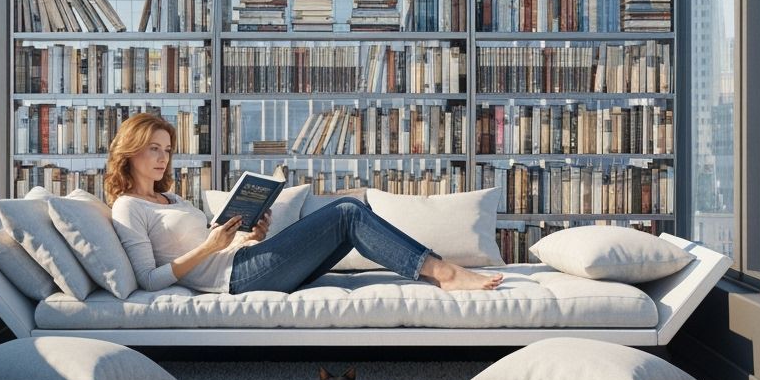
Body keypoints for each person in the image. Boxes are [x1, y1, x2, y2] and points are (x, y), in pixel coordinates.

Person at [106, 113, 504, 295]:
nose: (162, 158)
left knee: (354, 216)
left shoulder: (170, 197)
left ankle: (433, 270)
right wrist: (211, 247)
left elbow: (212, 246)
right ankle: (442, 272)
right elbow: (148, 280)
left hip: (244, 260)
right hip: (235, 279)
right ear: (131, 150)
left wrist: (245, 236)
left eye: (168, 150)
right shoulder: (129, 207)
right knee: (347, 213)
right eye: (154, 149)